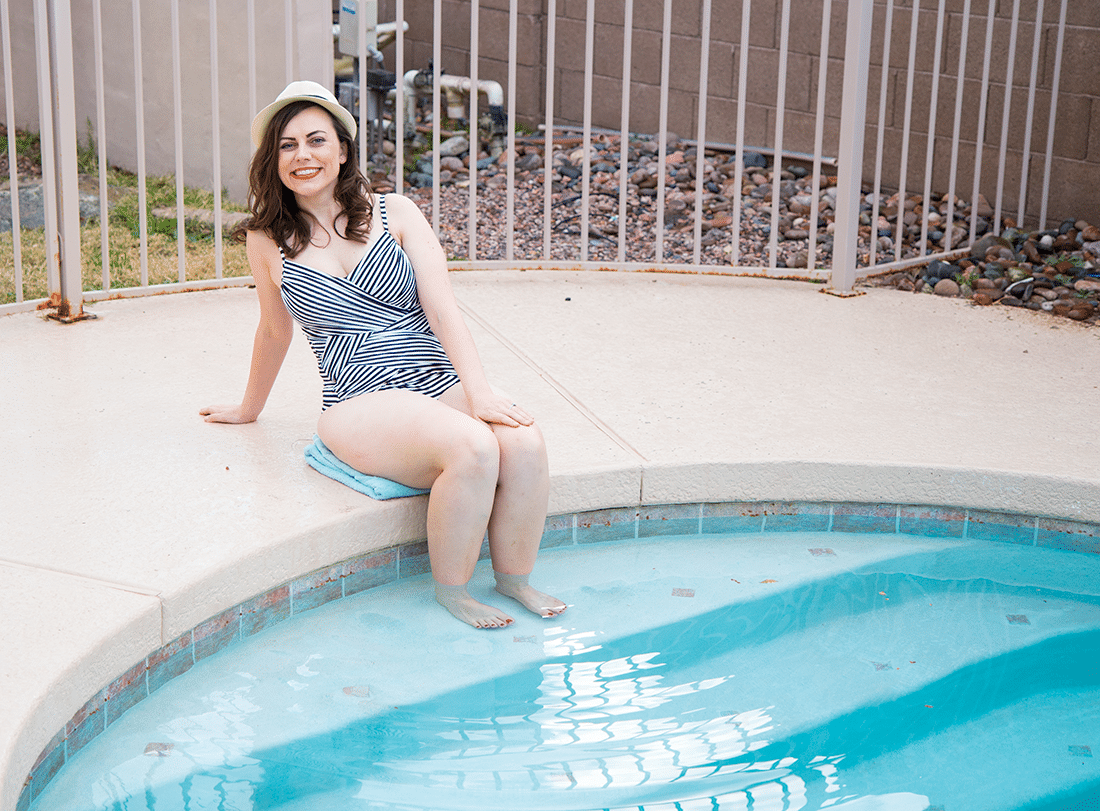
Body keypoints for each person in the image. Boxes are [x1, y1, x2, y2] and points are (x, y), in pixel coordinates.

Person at [200, 80, 565, 629]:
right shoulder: (267, 238)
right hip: (359, 396)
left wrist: (480, 391)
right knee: (473, 447)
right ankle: (454, 591)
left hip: (433, 375)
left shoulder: (395, 213)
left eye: (316, 140)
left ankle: (515, 579)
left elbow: (443, 311)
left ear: (343, 150)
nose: (303, 156)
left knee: (525, 442)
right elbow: (274, 331)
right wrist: (247, 409)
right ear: (272, 161)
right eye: (287, 145)